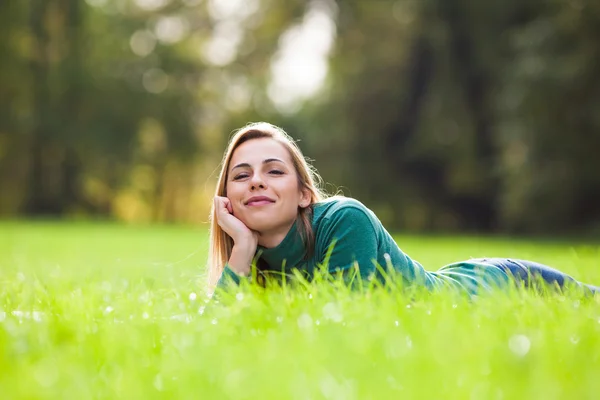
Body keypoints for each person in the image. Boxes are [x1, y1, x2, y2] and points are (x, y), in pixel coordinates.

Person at [208, 122, 599, 296]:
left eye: (274, 171)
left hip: (496, 286)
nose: (256, 180)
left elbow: (341, 326)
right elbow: (213, 339)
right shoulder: (255, 263)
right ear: (228, 199)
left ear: (304, 195)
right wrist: (241, 251)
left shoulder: (345, 220)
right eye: (241, 176)